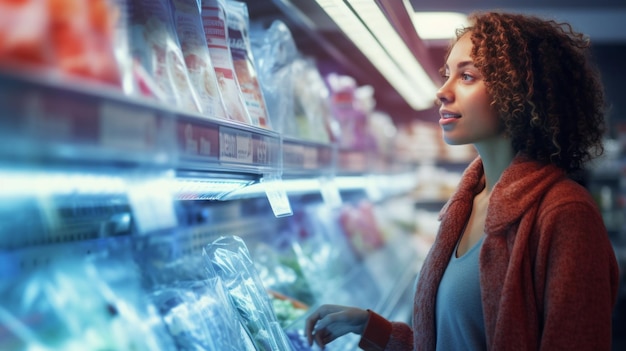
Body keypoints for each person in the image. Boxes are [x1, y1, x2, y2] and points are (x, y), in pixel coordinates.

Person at [305, 11, 620, 351]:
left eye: (467, 76)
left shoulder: (565, 213)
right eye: (447, 74)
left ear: (520, 92)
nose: (442, 91)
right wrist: (369, 326)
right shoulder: (467, 204)